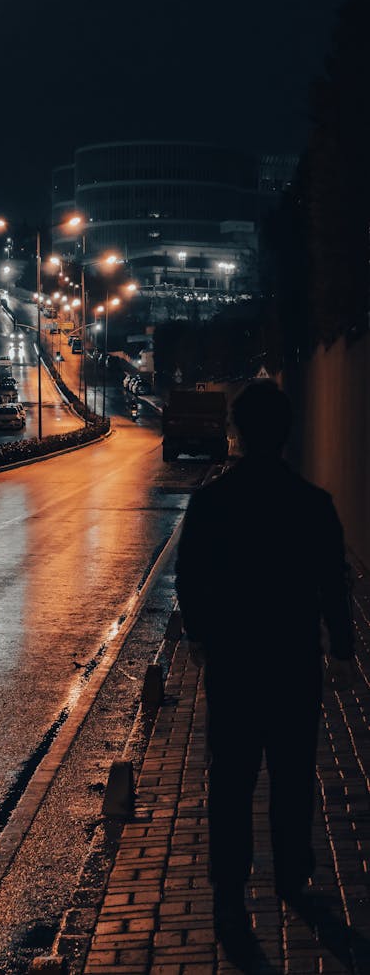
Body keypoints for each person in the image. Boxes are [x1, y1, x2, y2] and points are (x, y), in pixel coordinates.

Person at [175, 380, 354, 945]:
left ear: (237, 432)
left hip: (234, 660)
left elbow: (189, 578)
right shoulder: (312, 504)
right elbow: (333, 581)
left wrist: (202, 635)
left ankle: (230, 889)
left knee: (230, 777)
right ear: (287, 433)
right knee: (293, 771)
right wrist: (344, 643)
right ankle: (293, 874)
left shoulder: (211, 502)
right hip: (292, 657)